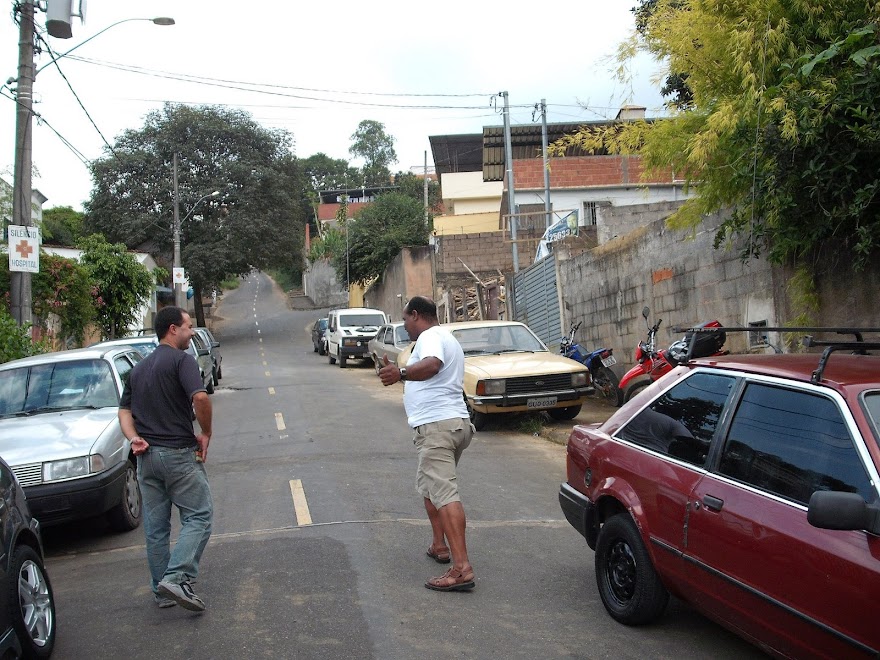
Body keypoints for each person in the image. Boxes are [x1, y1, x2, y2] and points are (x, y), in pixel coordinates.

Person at [118, 306, 213, 612]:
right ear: (173, 329)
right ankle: (176, 577)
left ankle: (162, 591)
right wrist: (206, 432)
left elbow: (124, 411)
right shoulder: (182, 361)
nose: (192, 332)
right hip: (178, 456)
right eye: (188, 327)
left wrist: (133, 437)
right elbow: (200, 397)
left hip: (146, 459)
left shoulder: (138, 369)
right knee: (199, 516)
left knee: (156, 528)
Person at [379, 296, 476, 592]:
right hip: (450, 425)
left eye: (406, 319)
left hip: (438, 428)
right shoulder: (445, 337)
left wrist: (401, 373)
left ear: (416, 315)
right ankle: (439, 545)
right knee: (429, 488)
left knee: (444, 493)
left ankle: (461, 569)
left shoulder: (431, 336)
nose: (405, 326)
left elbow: (433, 365)